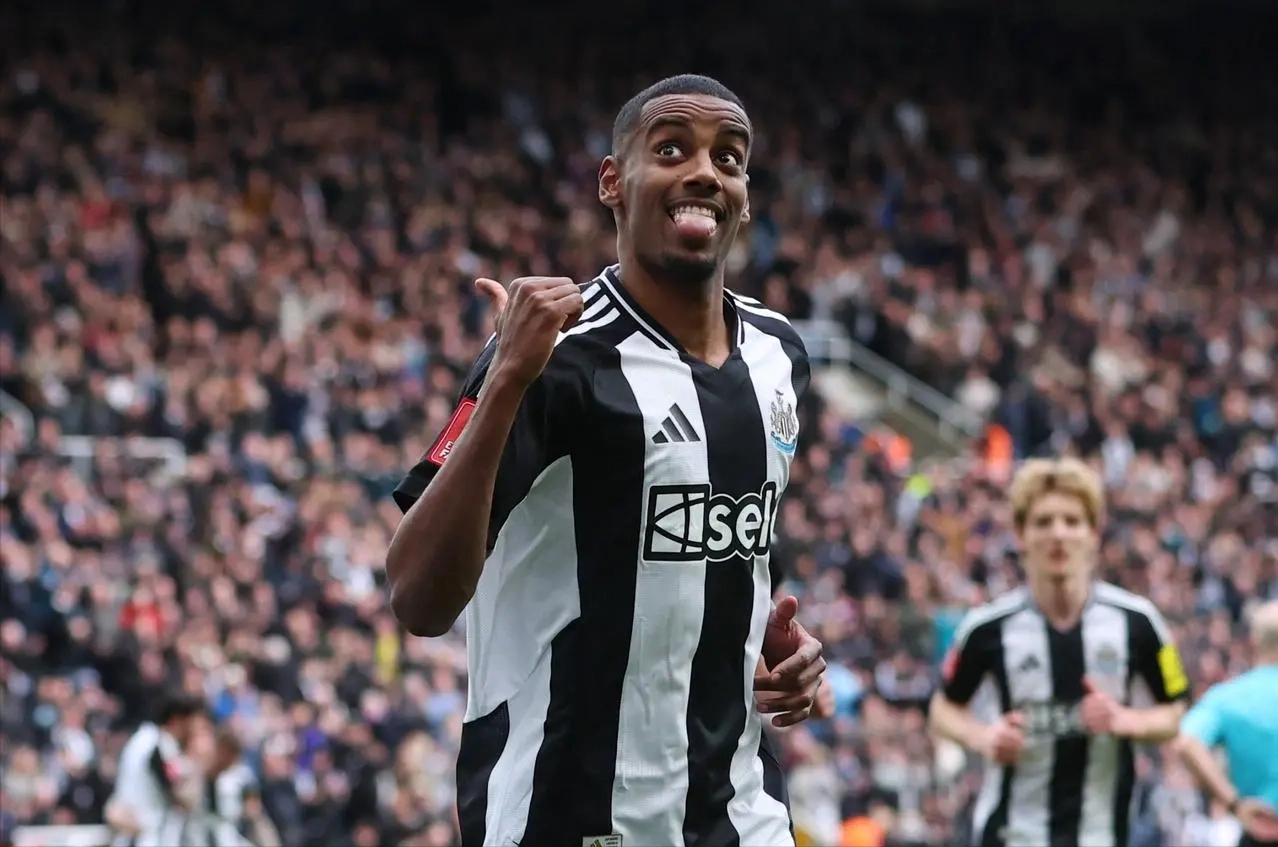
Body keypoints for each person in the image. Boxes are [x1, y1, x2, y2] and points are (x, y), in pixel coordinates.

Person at [387, 73, 825, 847]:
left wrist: (778, 646)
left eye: (728, 157)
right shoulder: (554, 353)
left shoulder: (778, 353)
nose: (705, 171)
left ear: (746, 197)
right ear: (612, 183)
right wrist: (506, 380)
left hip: (739, 812)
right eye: (672, 149)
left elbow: (730, 544)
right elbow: (419, 599)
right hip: (569, 814)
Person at [928, 458, 1190, 847]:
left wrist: (1125, 720)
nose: (1058, 534)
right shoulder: (986, 628)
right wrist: (984, 738)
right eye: (1043, 522)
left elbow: (1176, 711)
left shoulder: (1139, 622)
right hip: (1011, 835)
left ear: (1094, 533)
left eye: (1072, 521)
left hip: (1101, 836)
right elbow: (943, 709)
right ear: (1021, 534)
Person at [1173, 600, 1278, 847]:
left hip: (1259, 830)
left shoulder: (1227, 698)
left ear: (1253, 642)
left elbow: (1187, 742)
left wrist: (1234, 804)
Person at [104, 694, 205, 847]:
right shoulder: (160, 744)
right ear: (177, 720)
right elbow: (176, 793)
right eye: (190, 724)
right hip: (147, 834)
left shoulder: (141, 739)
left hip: (133, 830)